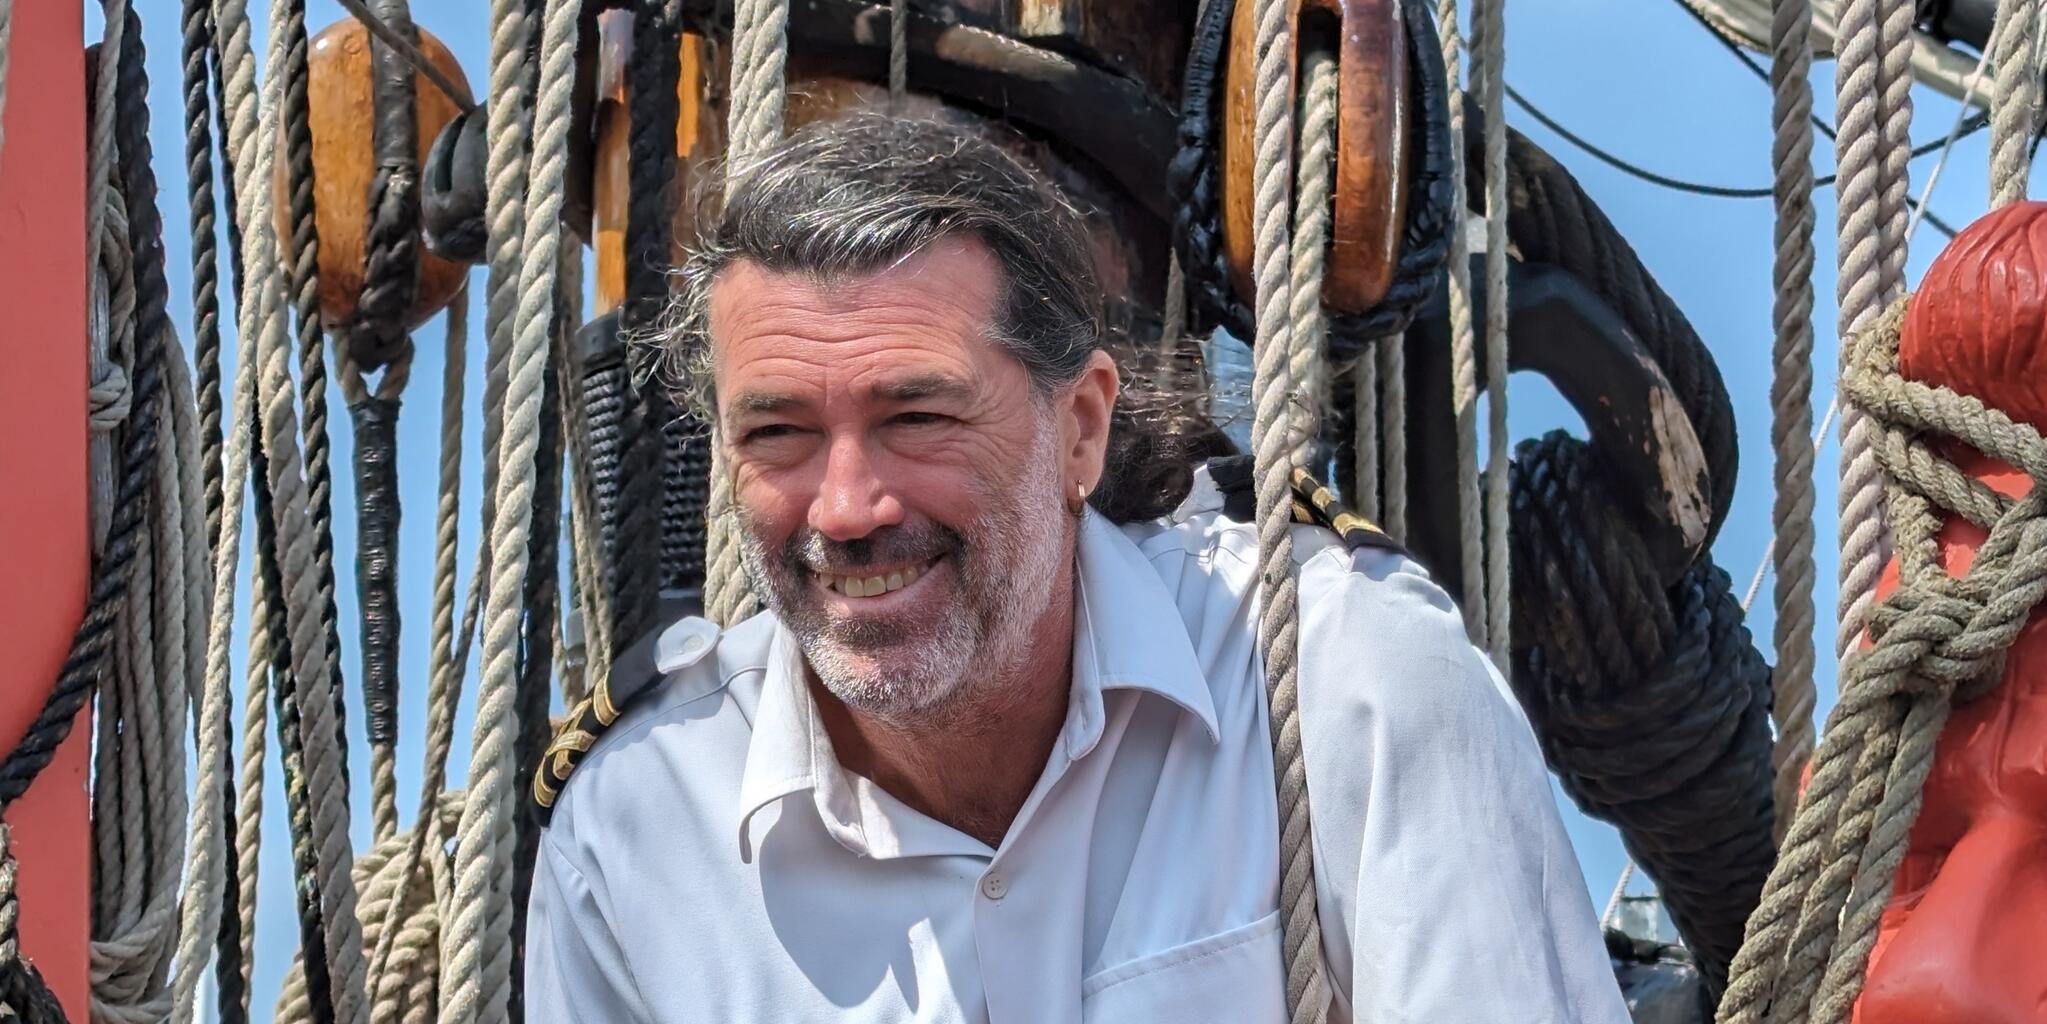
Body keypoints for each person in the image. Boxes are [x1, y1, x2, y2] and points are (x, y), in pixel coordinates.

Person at [525, 110, 1630, 1023]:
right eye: (776, 435)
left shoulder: (1340, 683)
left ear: (1082, 429)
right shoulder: (632, 833)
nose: (847, 506)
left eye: (917, 415)